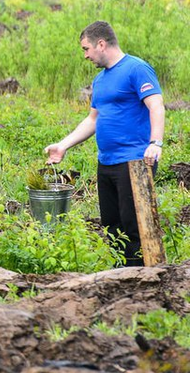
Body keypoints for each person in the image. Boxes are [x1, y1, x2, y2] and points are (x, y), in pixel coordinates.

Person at [44, 21, 165, 267]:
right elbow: (93, 119)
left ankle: (145, 276)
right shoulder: (100, 80)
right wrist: (63, 145)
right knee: (112, 226)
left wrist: (155, 142)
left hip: (135, 160)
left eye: (86, 49)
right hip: (107, 162)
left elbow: (156, 106)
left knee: (135, 226)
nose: (85, 55)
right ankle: (121, 276)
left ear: (101, 44)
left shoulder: (136, 68)